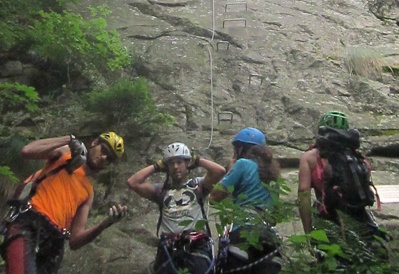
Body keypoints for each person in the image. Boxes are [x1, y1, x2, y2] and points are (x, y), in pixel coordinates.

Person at [1, 131, 127, 274]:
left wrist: (104, 224)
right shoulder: (65, 154)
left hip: (54, 242)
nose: (103, 157)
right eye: (103, 150)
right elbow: (27, 151)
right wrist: (68, 139)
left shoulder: (88, 192)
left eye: (109, 158)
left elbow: (75, 240)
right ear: (94, 143)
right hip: (29, 223)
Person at [127, 142, 225, 274]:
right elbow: (133, 182)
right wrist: (156, 166)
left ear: (187, 164)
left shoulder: (198, 186)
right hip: (169, 247)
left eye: (179, 162)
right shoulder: (160, 191)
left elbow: (219, 171)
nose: (175, 167)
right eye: (171, 163)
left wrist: (197, 160)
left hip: (196, 245)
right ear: (166, 167)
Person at [298, 111, 381, 246]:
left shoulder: (310, 157)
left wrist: (308, 232)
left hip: (327, 218)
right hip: (359, 218)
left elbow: (303, 192)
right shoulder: (358, 158)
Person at [210, 127, 282, 274]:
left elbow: (214, 197)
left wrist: (230, 171)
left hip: (243, 233)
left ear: (241, 149)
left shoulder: (242, 164)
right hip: (268, 237)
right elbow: (274, 217)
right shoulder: (274, 175)